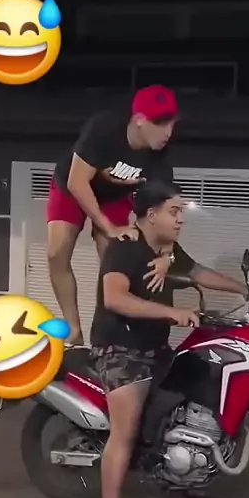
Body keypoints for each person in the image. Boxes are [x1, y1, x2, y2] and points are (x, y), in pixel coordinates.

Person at [90, 179, 248, 498]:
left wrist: (246, 291)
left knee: (194, 383)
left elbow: (198, 273)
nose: (180, 219)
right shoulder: (124, 248)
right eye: (174, 211)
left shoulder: (167, 250)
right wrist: (172, 312)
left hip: (155, 347)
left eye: (181, 212)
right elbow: (115, 298)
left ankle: (181, 461)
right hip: (122, 349)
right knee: (123, 434)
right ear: (150, 214)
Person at [47, 85, 179, 346]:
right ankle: (73, 329)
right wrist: (107, 227)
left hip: (114, 197)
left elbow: (166, 213)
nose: (168, 132)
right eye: (160, 124)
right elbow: (77, 182)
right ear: (139, 120)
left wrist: (168, 256)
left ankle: (109, 334)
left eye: (172, 124)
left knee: (115, 260)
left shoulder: (160, 159)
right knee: (56, 252)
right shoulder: (105, 128)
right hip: (73, 186)